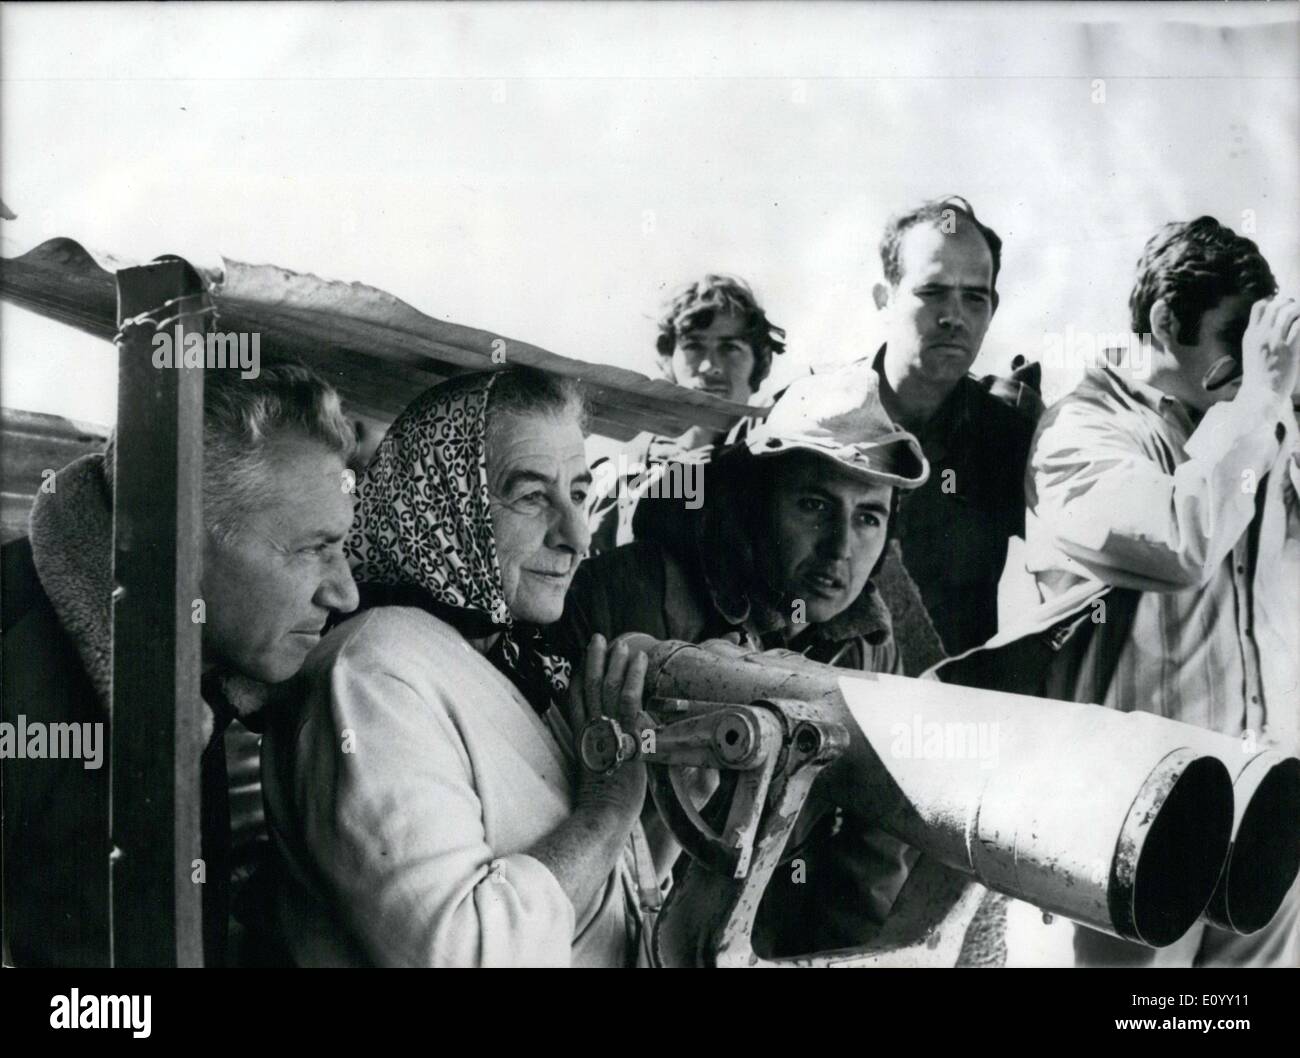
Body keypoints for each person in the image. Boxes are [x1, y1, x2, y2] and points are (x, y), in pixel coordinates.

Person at [261, 367, 683, 967]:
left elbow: (587, 915)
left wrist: (668, 815)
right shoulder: (372, 673)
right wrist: (610, 808)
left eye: (581, 494)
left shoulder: (508, 656)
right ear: (443, 504)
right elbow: (464, 951)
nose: (577, 535)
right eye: (534, 497)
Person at [551, 365, 936, 957]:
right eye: (814, 505)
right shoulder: (636, 595)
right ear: (753, 501)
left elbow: (871, 858)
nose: (840, 549)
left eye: (868, 517)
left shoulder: (868, 645)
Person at [0, 362, 360, 967]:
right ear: (180, 537)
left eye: (342, 546)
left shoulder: (194, 651)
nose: (344, 594)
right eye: (311, 550)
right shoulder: (19, 661)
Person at [1024, 216, 1300, 966]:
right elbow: (1182, 543)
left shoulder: (1254, 422)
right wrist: (1261, 402)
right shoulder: (1079, 430)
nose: (1255, 356)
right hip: (1131, 820)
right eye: (1236, 332)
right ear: (1164, 320)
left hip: (1261, 809)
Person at [865, 195, 1036, 655]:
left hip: (952, 714)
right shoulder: (813, 420)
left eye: (974, 298)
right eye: (933, 292)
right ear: (885, 298)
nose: (954, 317)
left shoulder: (1012, 442)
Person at [587, 274, 785, 554]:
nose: (709, 366)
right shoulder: (623, 474)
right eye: (694, 346)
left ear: (759, 362)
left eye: (730, 348)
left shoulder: (779, 472)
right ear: (669, 359)